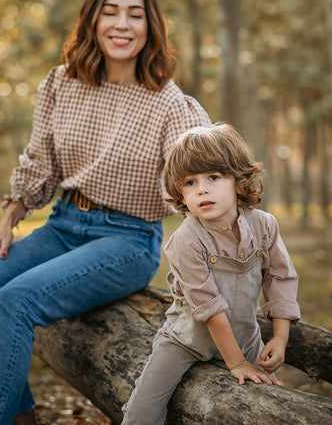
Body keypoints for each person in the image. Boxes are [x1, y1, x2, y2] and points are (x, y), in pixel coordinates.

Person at [0, 0, 211, 425]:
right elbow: (39, 163)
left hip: (126, 241)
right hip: (63, 225)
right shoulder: (61, 84)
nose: (122, 24)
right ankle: (18, 413)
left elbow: (191, 175)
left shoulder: (168, 103)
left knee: (14, 301)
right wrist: (9, 218)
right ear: (93, 22)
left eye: (135, 15)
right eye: (111, 12)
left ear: (150, 28)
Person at [122, 123, 301, 425]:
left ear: (239, 182)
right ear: (180, 192)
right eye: (190, 182)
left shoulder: (264, 225)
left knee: (268, 407)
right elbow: (209, 307)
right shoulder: (185, 240)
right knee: (142, 412)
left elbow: (280, 279)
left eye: (213, 177)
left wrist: (280, 338)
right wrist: (237, 363)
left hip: (245, 337)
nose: (201, 189)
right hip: (186, 339)